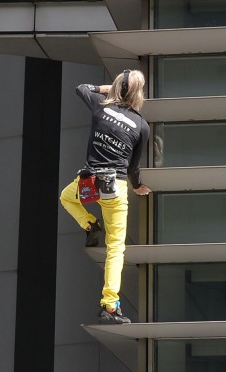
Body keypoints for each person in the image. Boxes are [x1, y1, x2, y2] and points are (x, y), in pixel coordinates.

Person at [59, 69, 151, 324]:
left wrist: (111, 88)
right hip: (116, 188)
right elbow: (133, 168)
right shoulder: (141, 125)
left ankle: (89, 224)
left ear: (117, 88)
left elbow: (81, 87)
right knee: (115, 248)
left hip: (89, 181)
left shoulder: (100, 106)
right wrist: (139, 187)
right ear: (138, 93)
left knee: (67, 198)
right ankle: (110, 305)